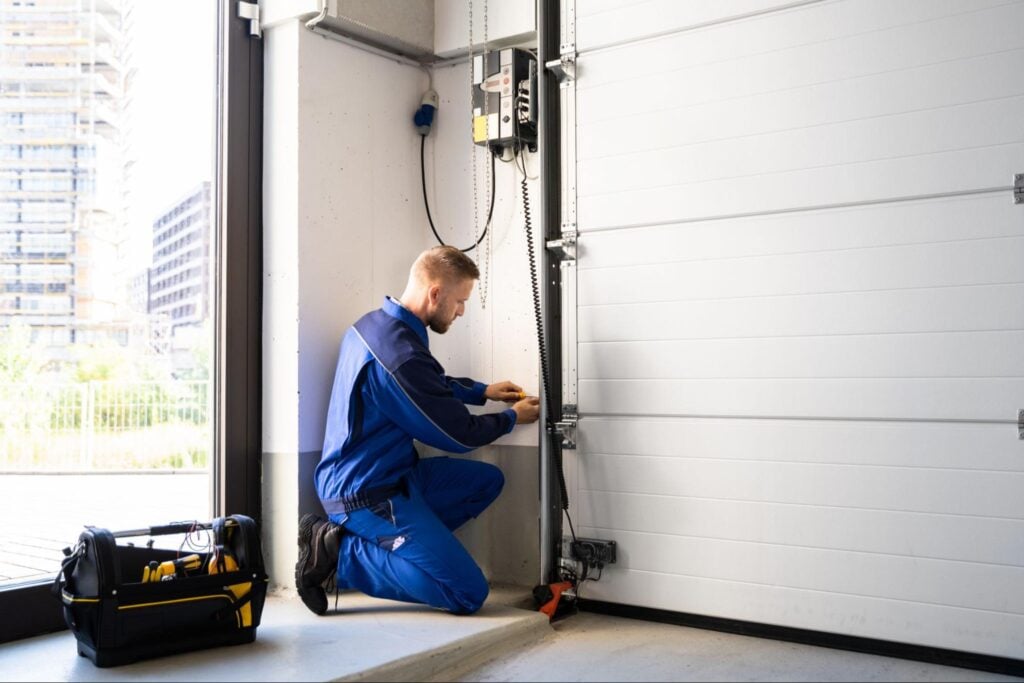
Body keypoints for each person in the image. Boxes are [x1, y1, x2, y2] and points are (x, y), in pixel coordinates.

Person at [296, 245, 541, 616]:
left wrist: (482, 391)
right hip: (364, 494)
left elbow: (427, 385)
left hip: (396, 475)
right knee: (467, 592)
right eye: (460, 301)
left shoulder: (376, 326)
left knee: (486, 482)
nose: (461, 311)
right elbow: (458, 435)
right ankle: (339, 554)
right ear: (435, 293)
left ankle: (406, 550)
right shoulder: (399, 356)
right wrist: (510, 418)